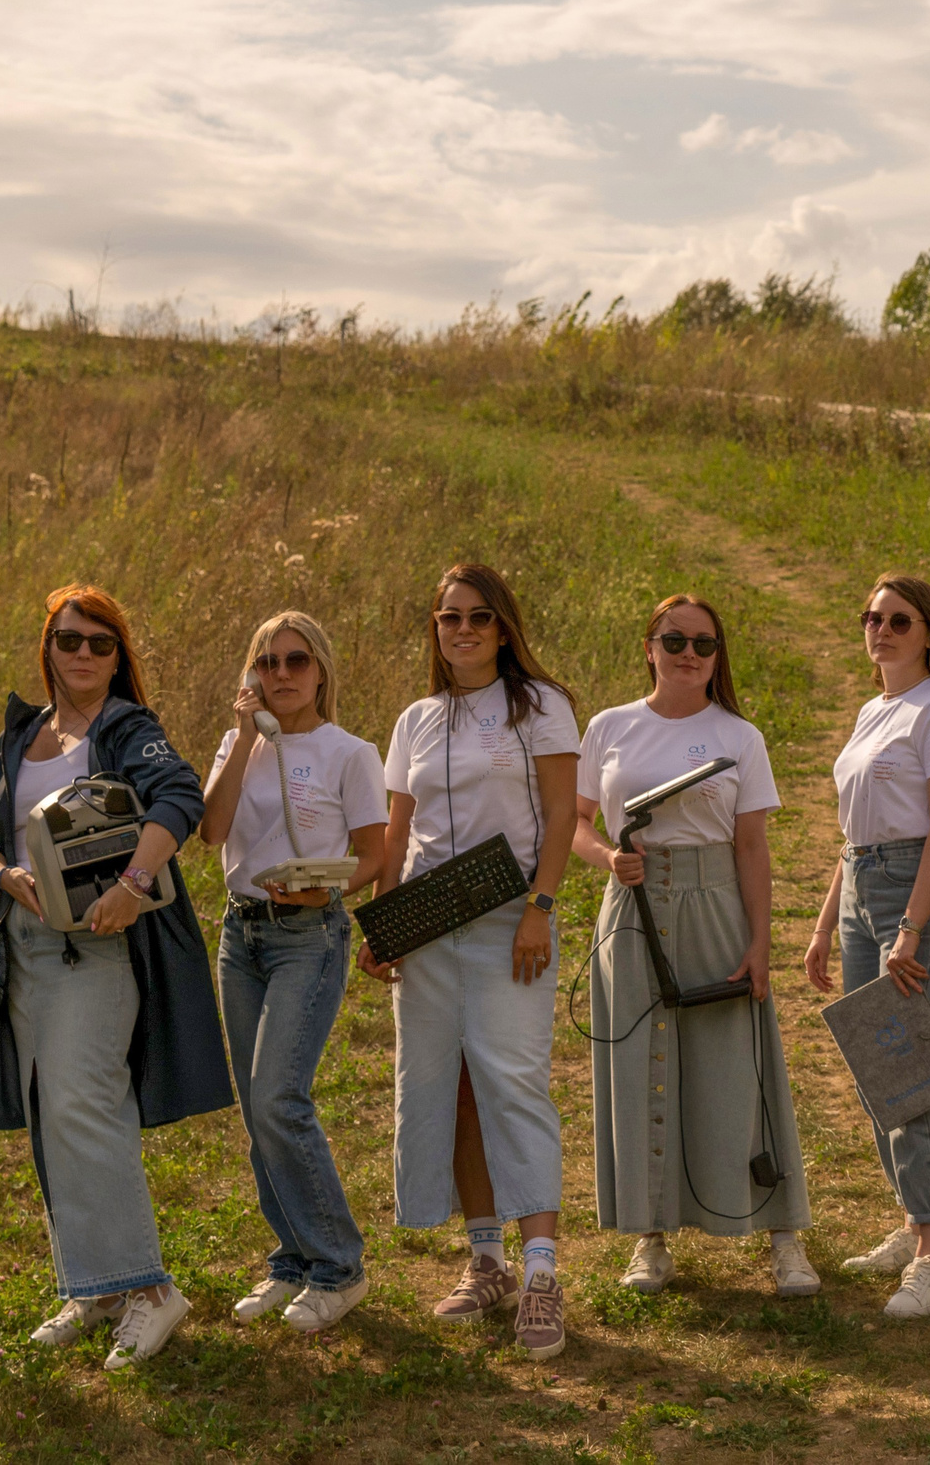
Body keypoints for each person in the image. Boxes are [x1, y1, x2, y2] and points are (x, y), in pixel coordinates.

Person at [0, 584, 232, 1368]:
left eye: (99, 642)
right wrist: (3, 873)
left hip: (100, 945)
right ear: (47, 646)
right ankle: (96, 1286)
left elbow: (178, 795)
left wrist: (134, 883)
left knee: (87, 1102)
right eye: (69, 640)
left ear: (119, 655)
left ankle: (150, 1289)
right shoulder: (22, 733)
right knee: (51, 1109)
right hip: (21, 944)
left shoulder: (125, 727)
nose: (82, 654)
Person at [360, 564, 579, 1361]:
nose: (463, 630)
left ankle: (544, 1271)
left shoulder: (541, 707)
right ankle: (486, 1258)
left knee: (513, 1084)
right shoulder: (415, 718)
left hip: (505, 921)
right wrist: (384, 923)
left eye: (479, 617)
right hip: (425, 930)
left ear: (504, 627)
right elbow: (397, 832)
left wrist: (539, 908)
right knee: (449, 1090)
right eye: (449, 617)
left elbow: (560, 813)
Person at [577, 595, 819, 1302]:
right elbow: (575, 823)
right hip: (633, 909)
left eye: (704, 643)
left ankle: (784, 1236)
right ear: (649, 645)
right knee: (640, 1063)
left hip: (715, 900)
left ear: (719, 655)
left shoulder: (738, 735)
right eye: (674, 639)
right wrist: (607, 858)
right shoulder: (610, 726)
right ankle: (650, 1239)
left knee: (737, 1065)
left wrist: (759, 942)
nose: (689, 653)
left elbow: (751, 843)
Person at [198, 610, 387, 1333]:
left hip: (308, 935)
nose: (281, 674)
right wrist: (245, 737)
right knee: (256, 1109)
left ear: (321, 671)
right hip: (240, 933)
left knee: (280, 1096)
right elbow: (212, 830)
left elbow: (373, 851)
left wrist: (327, 890)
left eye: (295, 661)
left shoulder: (349, 751)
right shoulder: (235, 742)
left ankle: (340, 1266)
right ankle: (291, 1259)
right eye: (267, 662)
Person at [807, 575, 930, 1319]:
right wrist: (822, 922)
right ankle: (913, 1226)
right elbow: (855, 831)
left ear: (928, 631)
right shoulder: (873, 708)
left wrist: (910, 924)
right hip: (861, 884)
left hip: (913, 893)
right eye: (872, 617)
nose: (881, 629)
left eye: (898, 619)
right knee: (878, 1069)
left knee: (911, 1070)